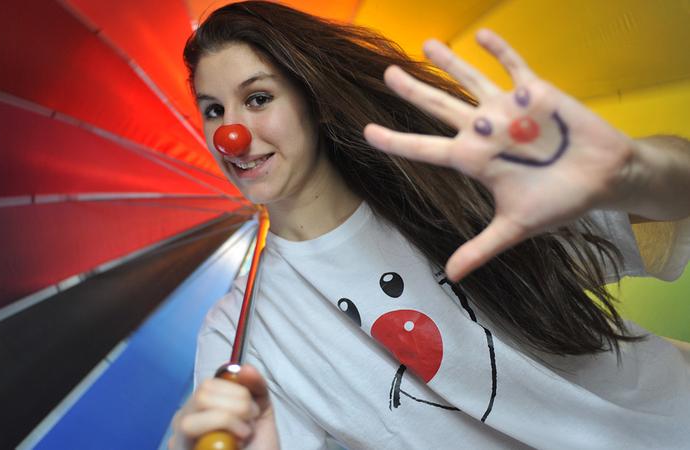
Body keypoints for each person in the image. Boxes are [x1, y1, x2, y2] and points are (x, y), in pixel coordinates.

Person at [168, 2, 690, 448]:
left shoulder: (445, 181)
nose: (230, 134)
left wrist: (623, 172)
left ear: (314, 102)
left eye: (258, 98)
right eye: (213, 110)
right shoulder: (235, 333)